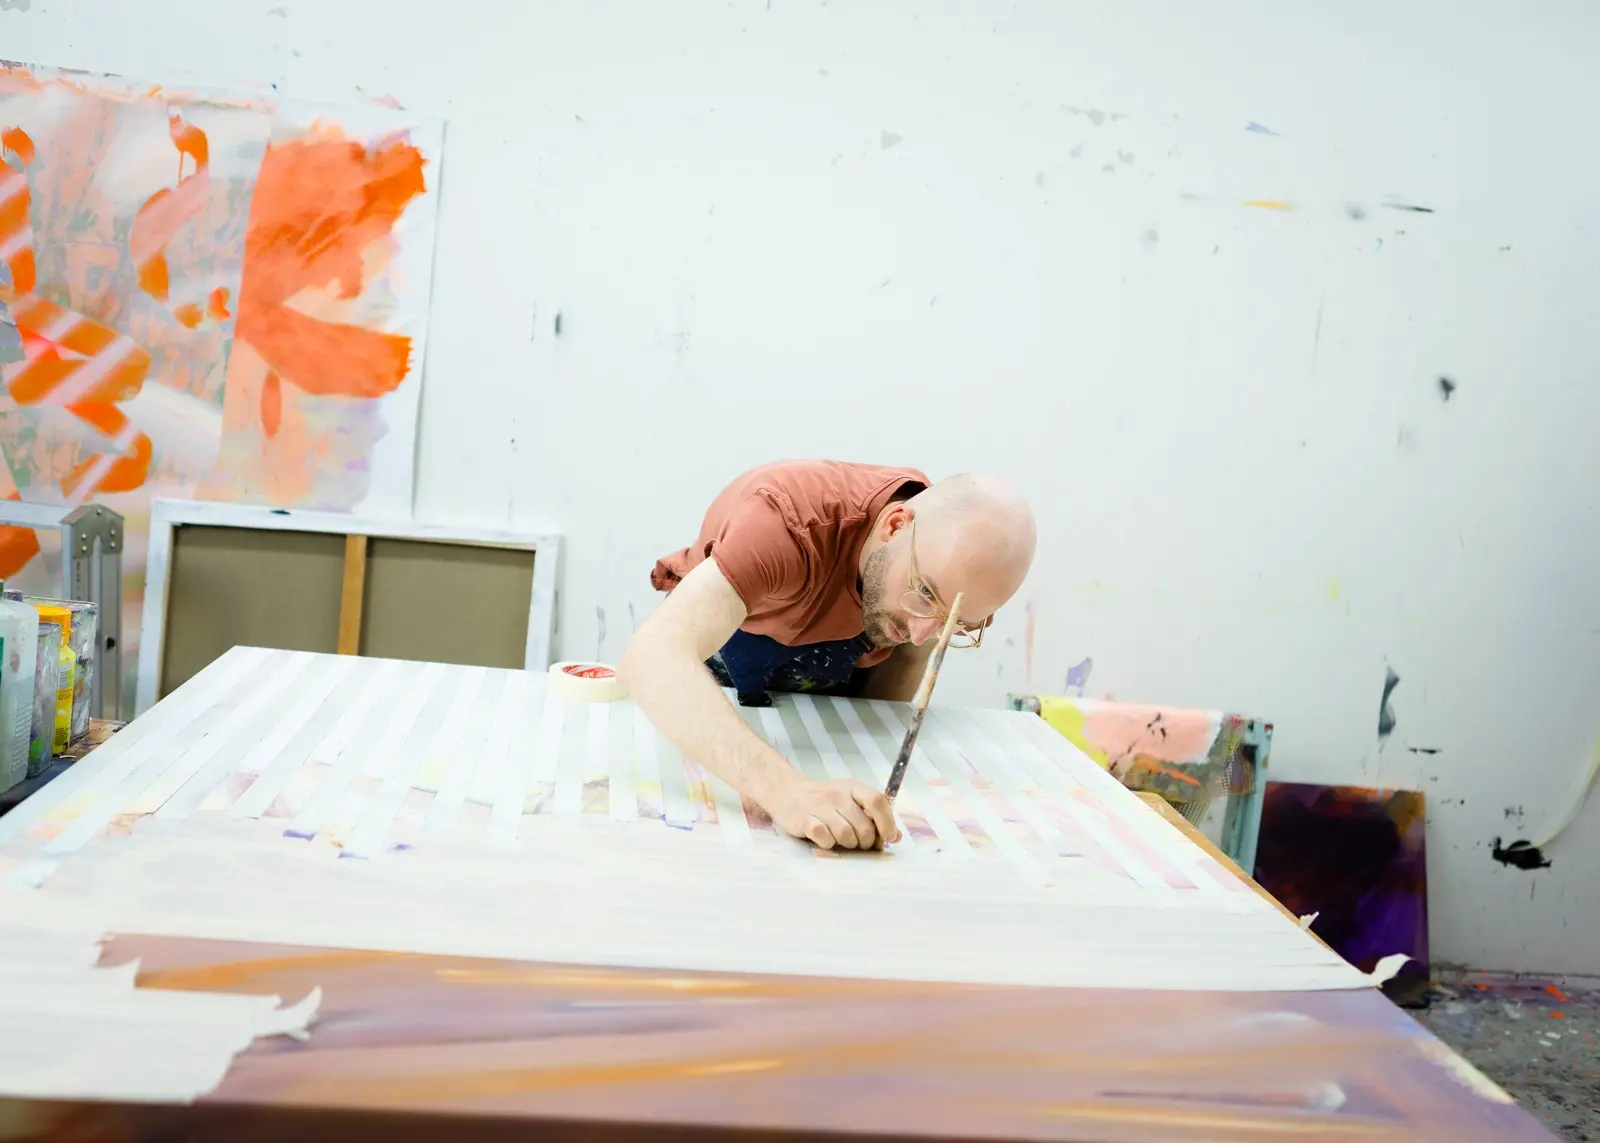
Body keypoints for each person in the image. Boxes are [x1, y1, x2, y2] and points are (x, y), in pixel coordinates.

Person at [619, 460, 1036, 852]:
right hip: (705, 699)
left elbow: (907, 658)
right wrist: (787, 792)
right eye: (925, 594)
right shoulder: (786, 526)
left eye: (954, 624)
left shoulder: (934, 559)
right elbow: (652, 657)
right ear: (894, 526)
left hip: (819, 716)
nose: (920, 633)